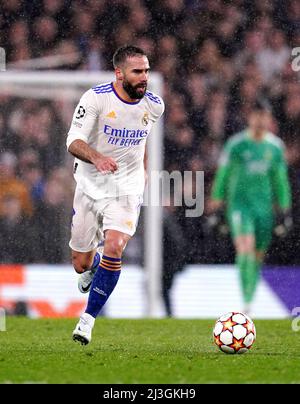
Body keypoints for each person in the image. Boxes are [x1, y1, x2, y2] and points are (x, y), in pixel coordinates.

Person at [66, 45, 164, 345]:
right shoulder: (95, 98)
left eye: (146, 71)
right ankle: (92, 264)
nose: (144, 77)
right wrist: (97, 158)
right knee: (80, 265)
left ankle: (87, 320)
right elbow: (73, 140)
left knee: (116, 244)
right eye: (137, 72)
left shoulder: (154, 105)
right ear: (119, 73)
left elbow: (141, 140)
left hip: (126, 189)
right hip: (90, 185)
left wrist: (143, 172)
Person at [209, 100, 292, 315]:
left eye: (263, 116)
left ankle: (249, 300)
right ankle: (246, 301)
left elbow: (280, 181)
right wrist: (217, 204)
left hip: (264, 210)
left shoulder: (275, 148)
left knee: (257, 255)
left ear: (269, 119)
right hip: (239, 207)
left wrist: (284, 210)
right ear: (250, 118)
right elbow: (223, 175)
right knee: (245, 247)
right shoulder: (236, 145)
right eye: (256, 115)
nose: (260, 120)